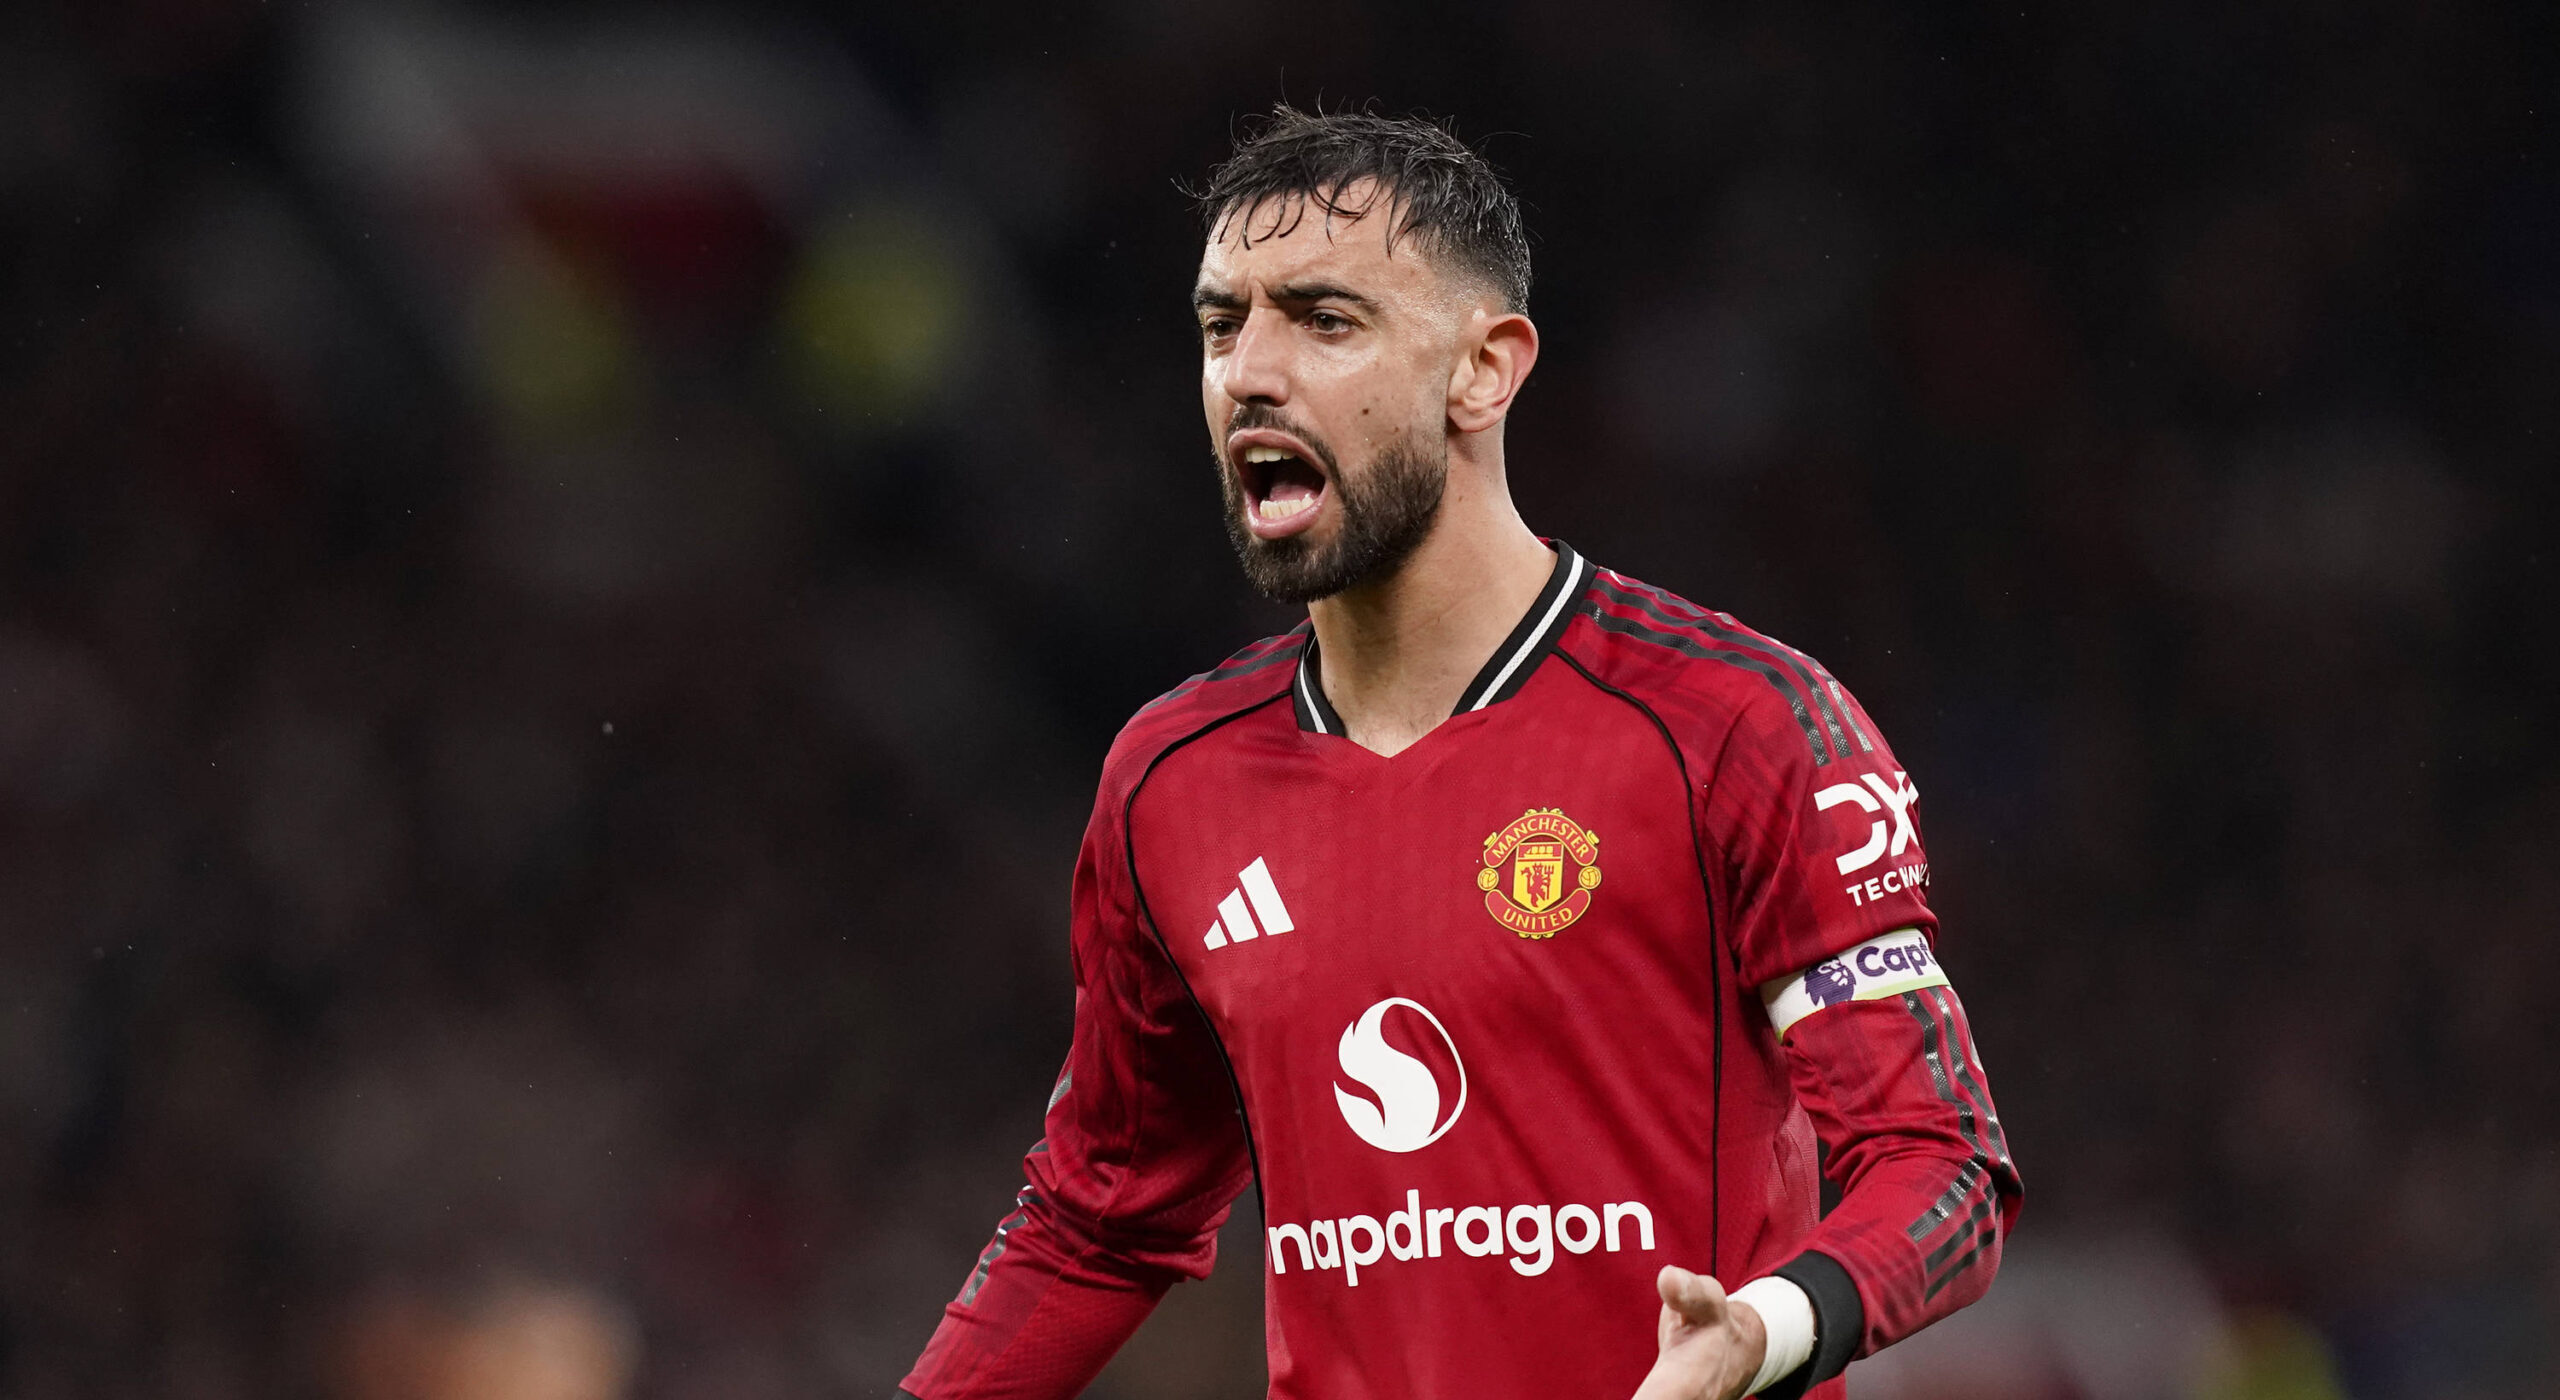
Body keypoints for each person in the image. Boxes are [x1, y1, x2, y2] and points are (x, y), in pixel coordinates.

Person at [896, 106, 2020, 1400]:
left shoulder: (1739, 724)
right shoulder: (1173, 780)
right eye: (1222, 325)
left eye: (1325, 321)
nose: (1251, 371)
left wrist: (1765, 1331)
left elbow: (1944, 1168)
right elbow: (1096, 1220)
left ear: (1483, 371)